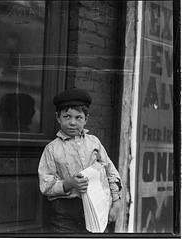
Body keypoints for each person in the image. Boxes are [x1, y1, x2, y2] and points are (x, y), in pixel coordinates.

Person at [38, 88, 122, 233]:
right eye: (67, 117)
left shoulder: (94, 143)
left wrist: (116, 202)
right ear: (58, 118)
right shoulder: (52, 149)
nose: (72, 123)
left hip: (97, 207)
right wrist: (69, 183)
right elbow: (46, 185)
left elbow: (110, 171)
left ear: (86, 119)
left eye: (78, 118)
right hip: (65, 211)